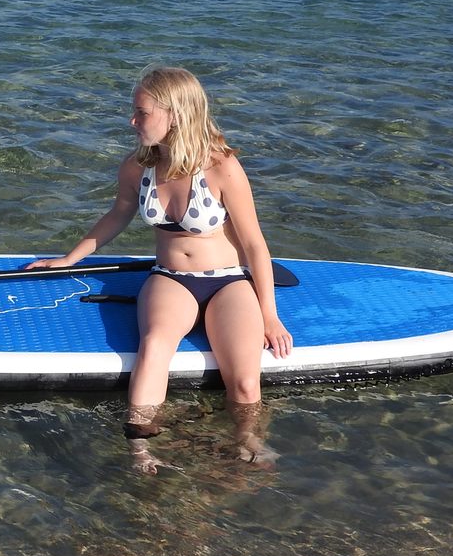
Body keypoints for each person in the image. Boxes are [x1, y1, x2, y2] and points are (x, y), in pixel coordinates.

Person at [27, 66, 292, 473]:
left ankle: (248, 441)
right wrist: (69, 258)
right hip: (171, 278)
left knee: (242, 380)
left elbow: (255, 244)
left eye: (142, 112)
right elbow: (117, 214)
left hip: (227, 281)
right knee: (154, 346)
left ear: (176, 114)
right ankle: (140, 445)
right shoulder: (137, 167)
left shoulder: (221, 167)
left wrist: (269, 316)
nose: (132, 121)